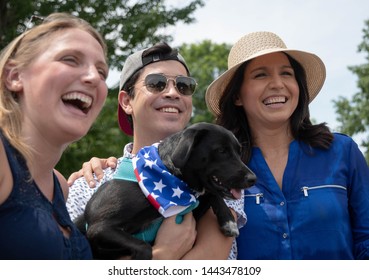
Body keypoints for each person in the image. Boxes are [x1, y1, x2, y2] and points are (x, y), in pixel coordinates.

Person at [66, 42, 245, 259]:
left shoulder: (218, 178)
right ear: (126, 101)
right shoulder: (88, 184)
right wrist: (163, 254)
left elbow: (210, 260)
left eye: (184, 86)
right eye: (156, 83)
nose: (172, 93)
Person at [205, 31, 369, 259]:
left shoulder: (343, 151)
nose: (277, 84)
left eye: (287, 74)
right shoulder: (217, 170)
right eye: (260, 75)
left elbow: (366, 239)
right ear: (237, 96)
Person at [0, 12, 109, 259]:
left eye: (102, 72)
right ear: (15, 76)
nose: (94, 77)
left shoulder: (61, 185)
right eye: (70, 59)